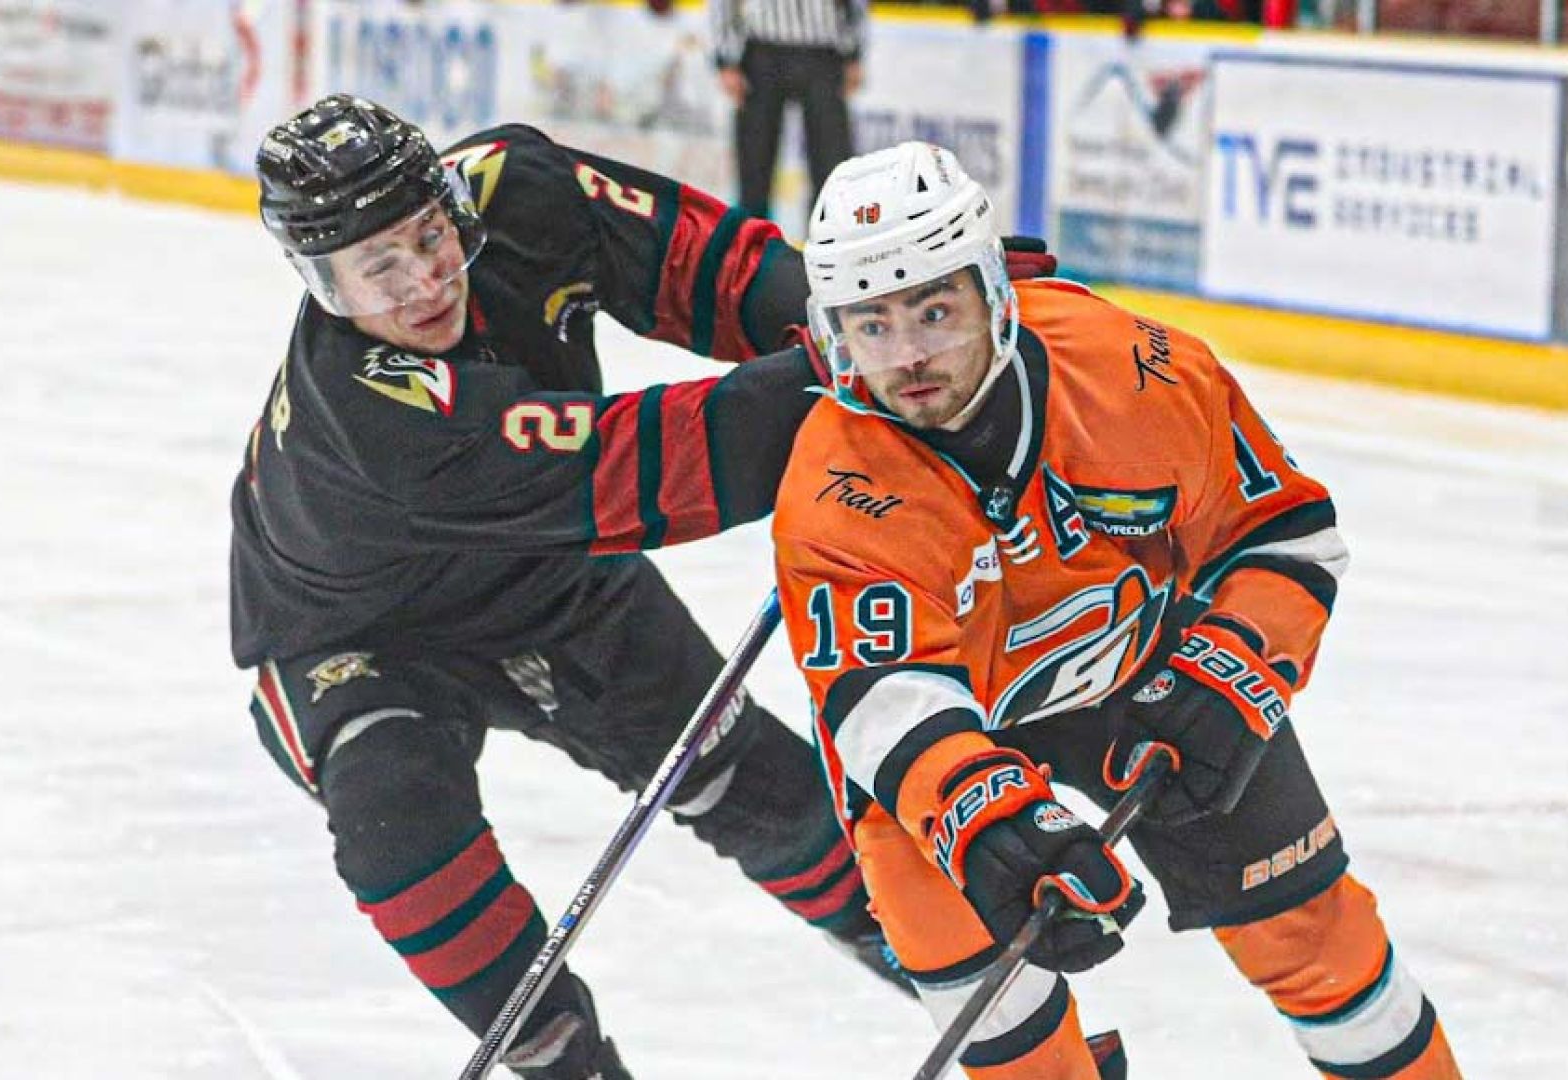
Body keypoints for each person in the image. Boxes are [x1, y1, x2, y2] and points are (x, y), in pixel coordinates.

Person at [232, 93, 895, 1080]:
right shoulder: (370, 413)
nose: (424, 282)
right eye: (379, 268)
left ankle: (960, 971)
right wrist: (870, 366)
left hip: (557, 575)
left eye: (429, 236)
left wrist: (870, 320)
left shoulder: (522, 188)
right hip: (355, 630)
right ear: (319, 281)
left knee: (764, 791)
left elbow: (708, 269)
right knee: (394, 820)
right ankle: (562, 1061)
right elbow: (637, 466)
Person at [773, 142, 1464, 1080]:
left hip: (1145, 669)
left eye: (935, 310)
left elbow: (1283, 536)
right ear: (834, 332)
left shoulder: (1140, 374)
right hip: (945, 745)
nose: (911, 358)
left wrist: (1233, 674)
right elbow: (886, 705)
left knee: (1314, 940)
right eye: (874, 324)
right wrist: (994, 827)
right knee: (1003, 1026)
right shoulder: (835, 488)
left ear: (994, 293)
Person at [709, 0, 865, 221]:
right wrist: (726, 58)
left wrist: (854, 52)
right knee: (755, 165)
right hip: (763, 48)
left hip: (824, 50)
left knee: (832, 166)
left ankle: (826, 245)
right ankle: (753, 247)